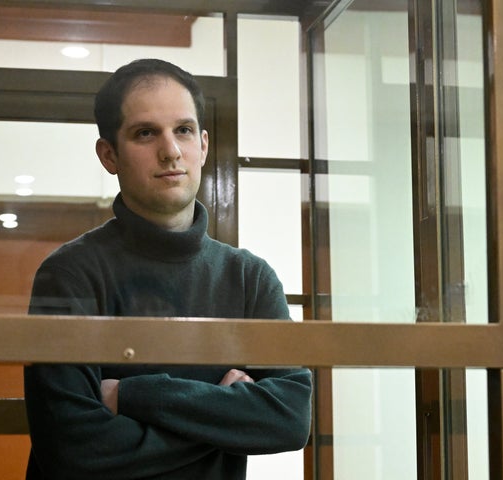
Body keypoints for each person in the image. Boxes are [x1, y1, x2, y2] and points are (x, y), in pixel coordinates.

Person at [23, 58, 313, 480]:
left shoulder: (249, 278)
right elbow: (75, 449)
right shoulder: (70, 273)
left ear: (204, 145)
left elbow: (289, 418)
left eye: (183, 130)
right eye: (145, 133)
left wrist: (136, 395)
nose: (171, 150)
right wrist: (225, 414)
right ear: (109, 155)